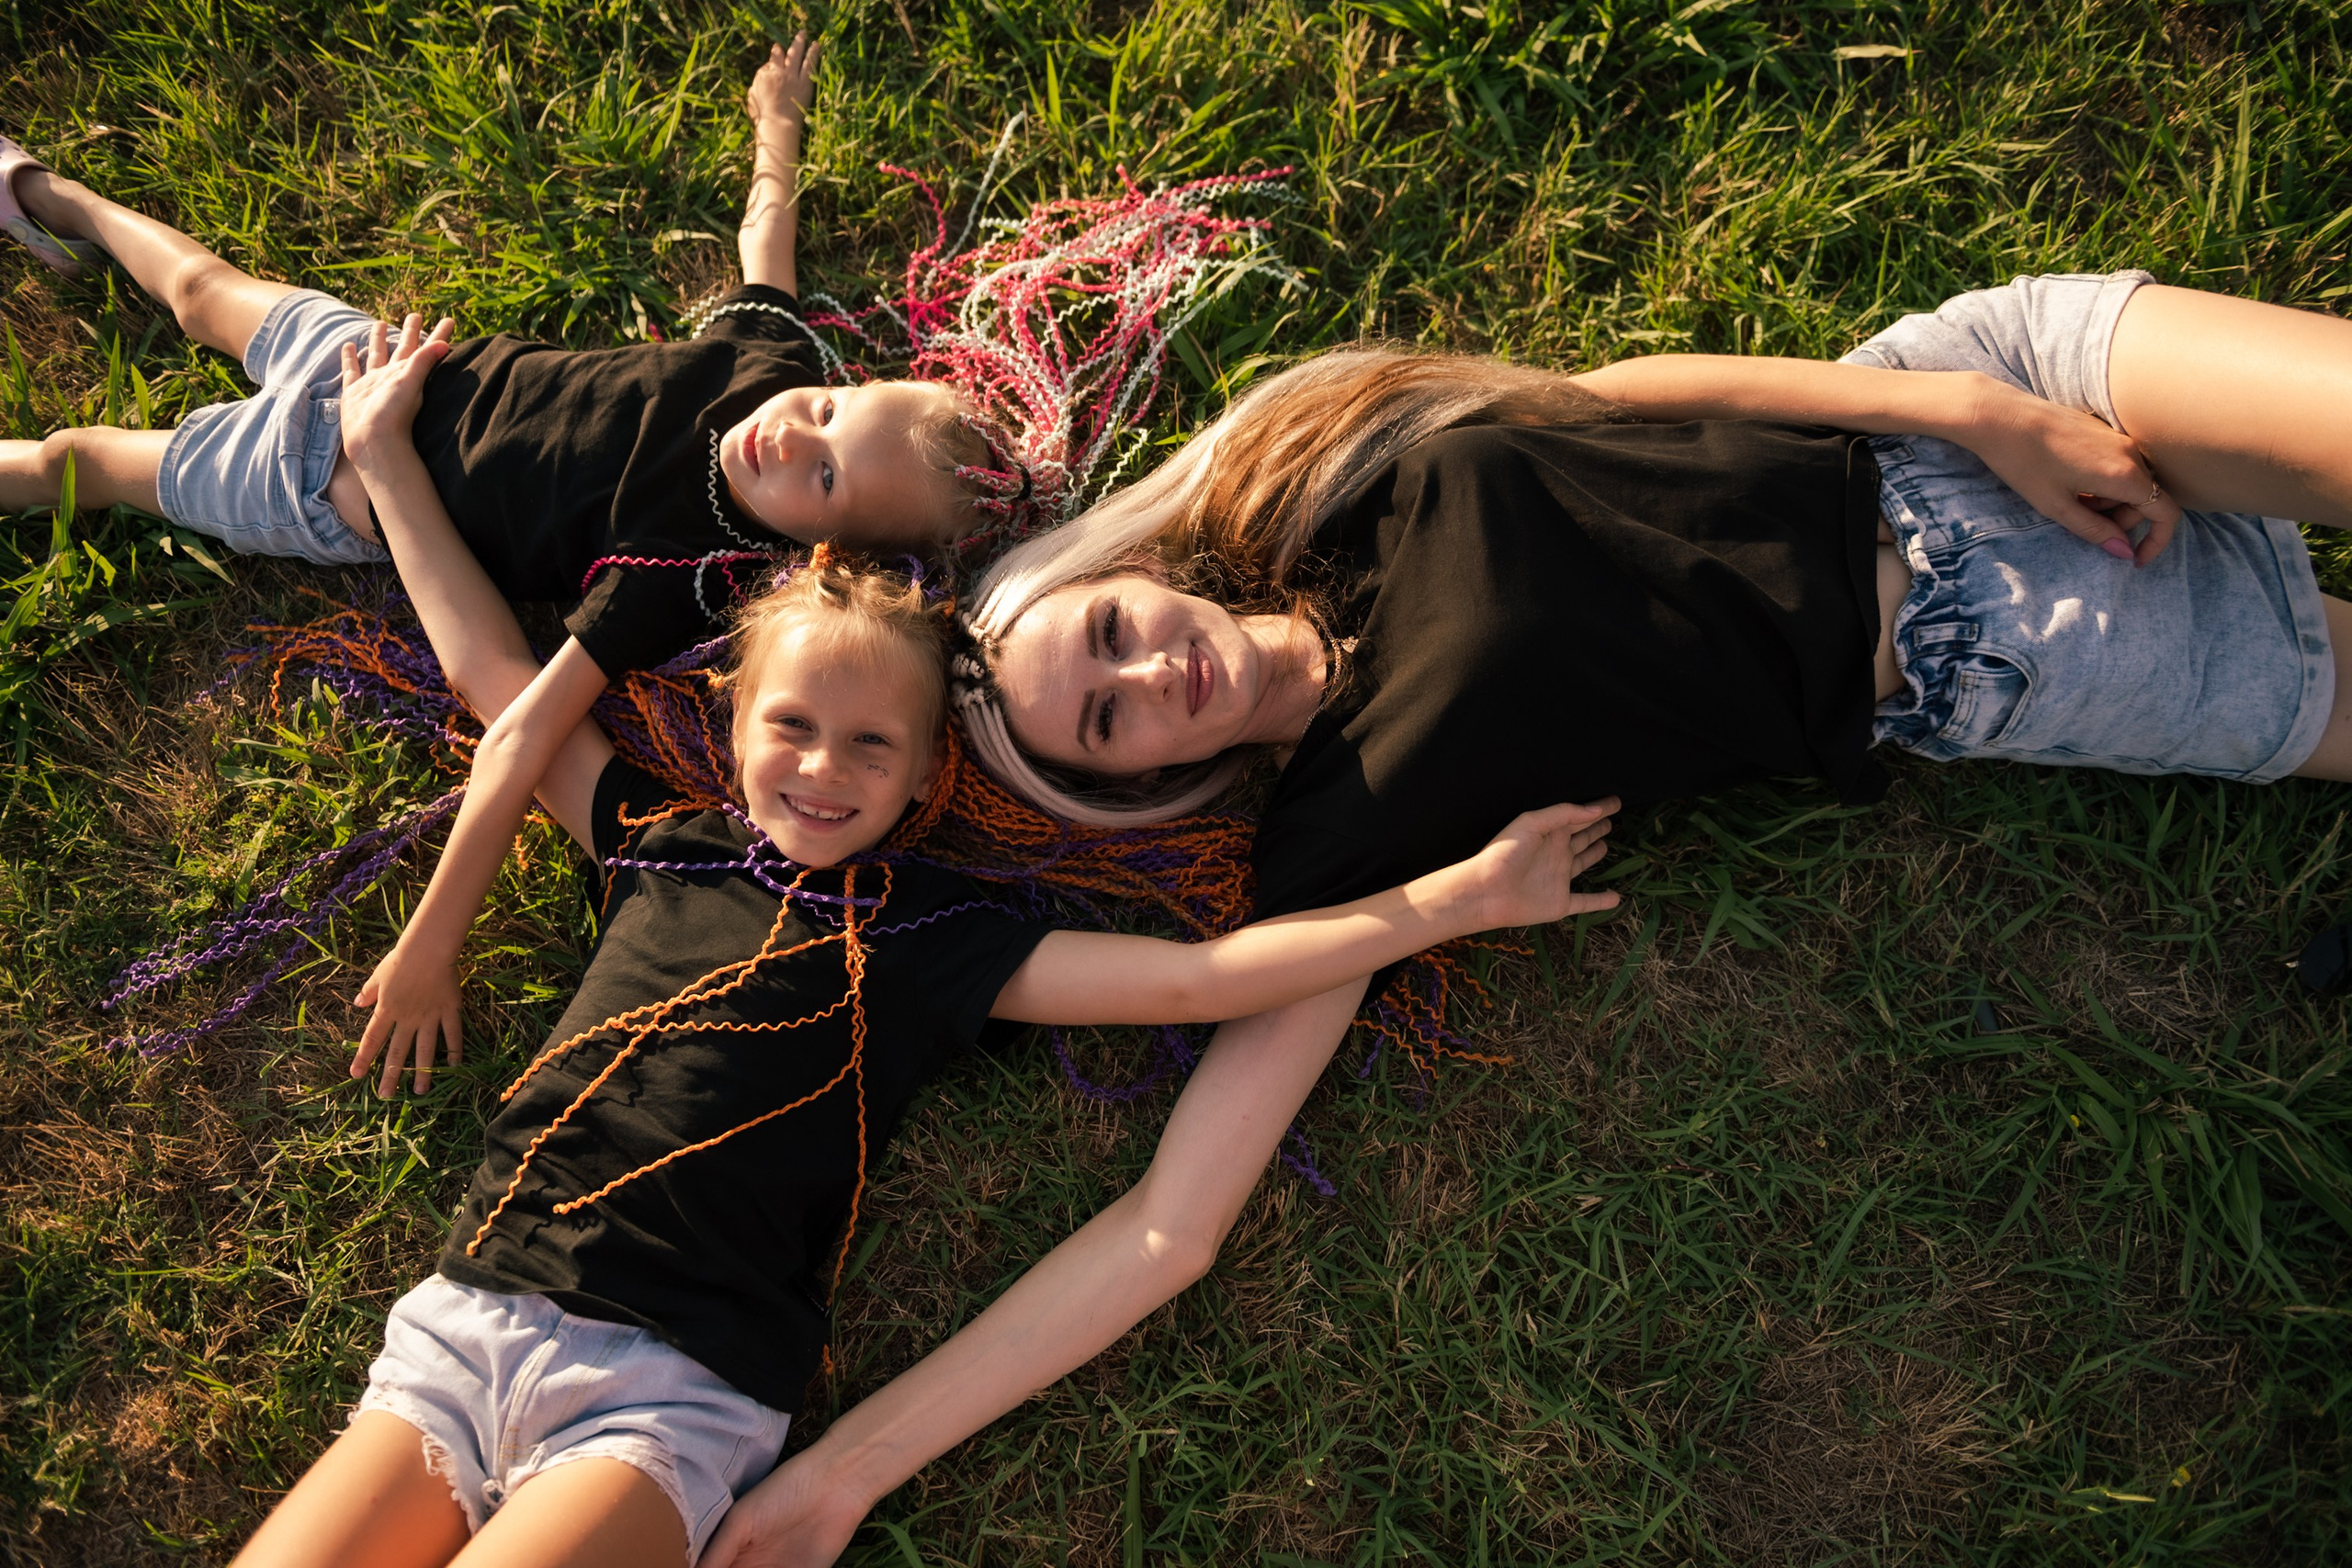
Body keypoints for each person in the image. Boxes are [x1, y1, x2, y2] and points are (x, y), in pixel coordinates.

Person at [696, 272, 2352, 1563]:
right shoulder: (1346, 855)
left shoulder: (1351, 480)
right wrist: (844, 1473)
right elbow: (1167, 1227)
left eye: (1116, 628)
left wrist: (1981, 407)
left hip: (1956, 400)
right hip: (2017, 640)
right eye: (1113, 721)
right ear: (1137, 788)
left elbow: (1630, 396)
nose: (1152, 673)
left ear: (1143, 569)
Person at [227, 320, 1620, 1568]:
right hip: (471, 1322)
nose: (825, 769)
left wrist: (1459, 901)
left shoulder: (938, 934)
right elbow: (492, 678)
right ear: (731, 732)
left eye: (871, 747)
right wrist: (390, 469)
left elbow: (1202, 980)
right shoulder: (656, 843)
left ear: (920, 784)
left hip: (672, 1395)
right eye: (793, 730)